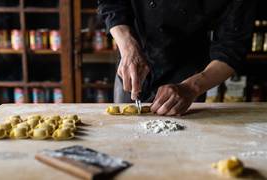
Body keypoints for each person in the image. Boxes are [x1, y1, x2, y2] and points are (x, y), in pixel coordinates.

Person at [98, 0, 256, 115]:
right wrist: (128, 46)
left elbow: (232, 47)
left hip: (190, 70)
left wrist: (191, 88)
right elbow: (112, 3)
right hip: (133, 58)